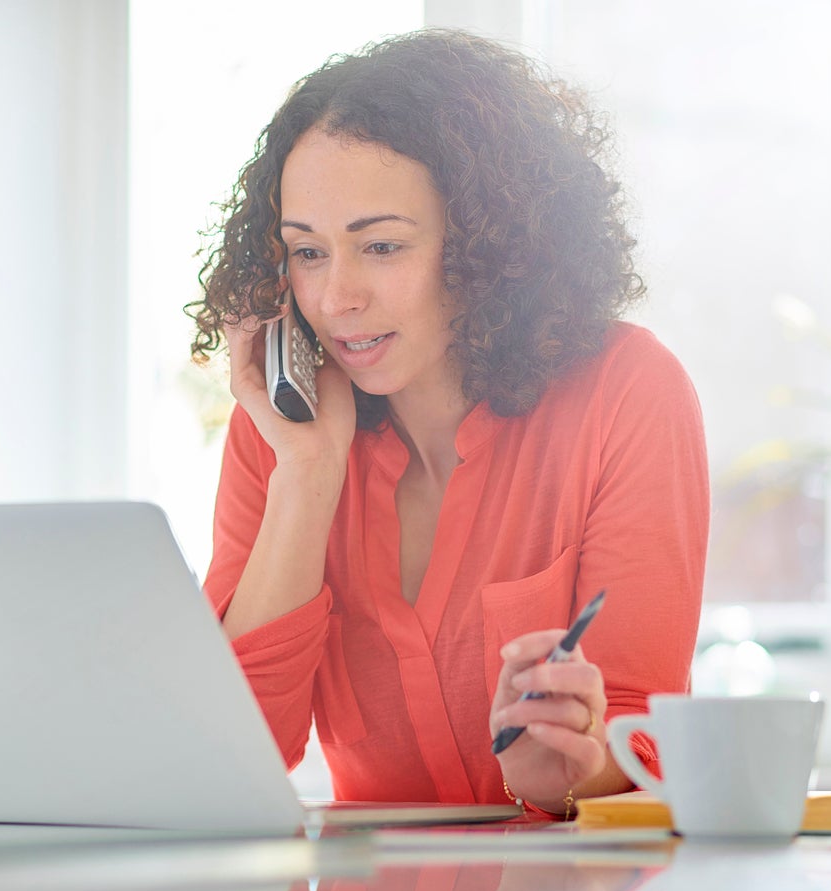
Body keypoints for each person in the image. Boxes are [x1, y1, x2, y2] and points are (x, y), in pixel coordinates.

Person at [187, 29, 708, 819]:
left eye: (382, 246)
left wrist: (564, 764)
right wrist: (308, 475)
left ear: (486, 245)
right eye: (307, 253)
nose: (335, 299)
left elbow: (643, 736)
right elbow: (225, 759)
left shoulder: (626, 393)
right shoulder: (280, 434)